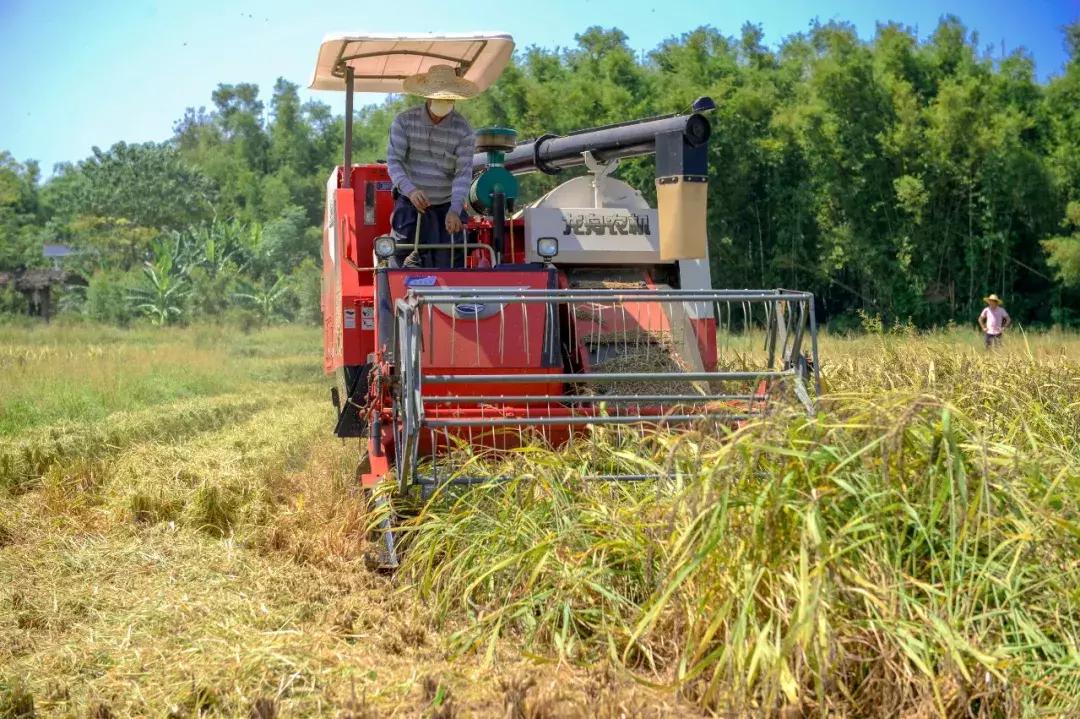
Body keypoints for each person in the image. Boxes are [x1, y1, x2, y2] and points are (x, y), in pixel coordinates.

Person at [386, 65, 477, 268]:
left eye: (448, 99)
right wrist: (411, 191)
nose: (443, 103)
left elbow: (463, 174)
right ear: (428, 97)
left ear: (454, 100)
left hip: (446, 205)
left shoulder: (464, 131)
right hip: (410, 201)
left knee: (450, 258)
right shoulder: (404, 122)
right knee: (402, 254)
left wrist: (455, 209)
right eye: (439, 98)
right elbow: (394, 162)